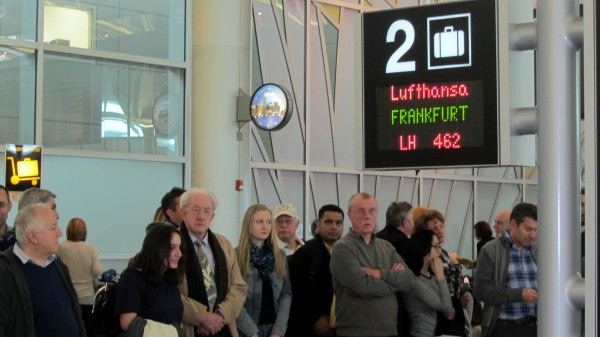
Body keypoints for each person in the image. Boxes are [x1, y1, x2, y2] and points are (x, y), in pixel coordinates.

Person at [329, 192, 428, 337]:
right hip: (355, 332)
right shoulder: (342, 248)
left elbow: (410, 280)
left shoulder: (386, 247)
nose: (367, 216)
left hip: (389, 329)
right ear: (350, 216)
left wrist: (379, 274)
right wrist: (395, 281)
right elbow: (361, 286)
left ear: (376, 214)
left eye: (371, 211)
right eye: (360, 211)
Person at [0, 203, 86, 337]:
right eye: (53, 228)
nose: (60, 233)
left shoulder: (58, 265)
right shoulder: (5, 271)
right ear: (33, 236)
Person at [178, 187, 247, 337]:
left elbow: (239, 287)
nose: (201, 216)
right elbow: (167, 292)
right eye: (195, 210)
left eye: (207, 211)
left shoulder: (224, 244)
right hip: (187, 328)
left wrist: (219, 317)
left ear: (213, 216)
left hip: (223, 327)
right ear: (183, 213)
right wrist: (202, 317)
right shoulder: (171, 244)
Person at [473, 203, 538, 337]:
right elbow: (480, 289)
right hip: (505, 328)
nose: (532, 235)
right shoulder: (491, 250)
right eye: (528, 229)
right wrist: (518, 295)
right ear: (513, 224)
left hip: (536, 327)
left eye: (535, 230)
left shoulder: (538, 250)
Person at [115, 224, 185, 335]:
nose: (179, 254)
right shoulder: (133, 278)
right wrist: (173, 333)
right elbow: (128, 323)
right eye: (172, 247)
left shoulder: (169, 278)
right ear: (156, 248)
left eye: (179, 247)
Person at [286, 204, 344, 337]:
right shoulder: (304, 253)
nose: (334, 227)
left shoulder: (349, 252)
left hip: (343, 323)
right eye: (329, 222)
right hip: (309, 325)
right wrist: (316, 317)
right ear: (318, 224)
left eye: (338, 223)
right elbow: (296, 290)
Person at [235, 204, 292, 337]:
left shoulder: (280, 256)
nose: (265, 227)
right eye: (259, 222)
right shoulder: (237, 256)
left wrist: (278, 331)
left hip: (274, 328)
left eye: (268, 222)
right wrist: (251, 332)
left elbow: (286, 294)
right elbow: (233, 299)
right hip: (246, 329)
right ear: (248, 225)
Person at [412, 209, 470, 337]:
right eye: (434, 228)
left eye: (441, 226)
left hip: (455, 307)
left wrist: (460, 293)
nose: (440, 230)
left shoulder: (443, 253)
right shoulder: (426, 257)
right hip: (440, 311)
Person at [58, 217, 104, 336]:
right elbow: (97, 270)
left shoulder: (60, 248)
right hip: (86, 297)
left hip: (66, 298)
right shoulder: (90, 248)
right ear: (84, 232)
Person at [403, 230, 453, 337]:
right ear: (423, 247)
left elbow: (447, 307)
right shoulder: (414, 281)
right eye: (436, 246)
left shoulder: (431, 275)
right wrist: (440, 277)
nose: (440, 251)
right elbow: (447, 307)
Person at [376, 201, 414, 337]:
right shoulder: (405, 243)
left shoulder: (375, 238)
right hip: (397, 304)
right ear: (405, 222)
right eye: (412, 219)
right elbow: (409, 279)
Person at [0, 187, 60, 252]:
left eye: (1, 205)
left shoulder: (47, 254)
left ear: (9, 206)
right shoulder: (9, 245)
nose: (57, 216)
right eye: (52, 209)